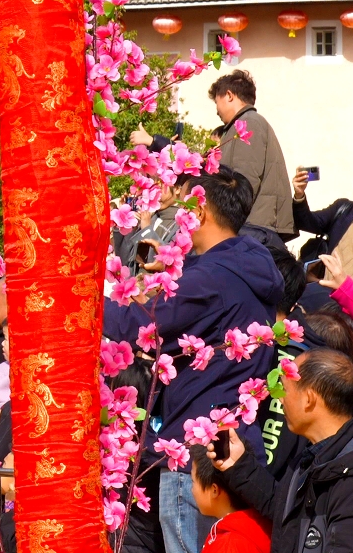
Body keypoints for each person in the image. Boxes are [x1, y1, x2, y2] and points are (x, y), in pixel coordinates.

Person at [105, 166, 282, 553]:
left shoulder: (212, 277)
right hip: (234, 448)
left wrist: (76, 300)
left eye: (185, 208)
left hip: (193, 456)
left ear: (199, 212)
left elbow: (140, 327)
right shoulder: (247, 267)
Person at [214, 347, 353, 552]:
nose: (279, 400)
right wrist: (238, 464)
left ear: (309, 399)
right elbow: (283, 511)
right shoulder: (310, 459)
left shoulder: (347, 478)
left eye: (284, 390)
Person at [210, 70, 295, 238]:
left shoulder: (248, 123)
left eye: (216, 102)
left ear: (229, 95)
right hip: (253, 226)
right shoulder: (241, 124)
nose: (217, 111)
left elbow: (244, 182)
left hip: (254, 228)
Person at [189, 444, 271, 553]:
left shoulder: (228, 545)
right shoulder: (260, 525)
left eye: (193, 482)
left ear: (214, 490)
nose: (191, 490)